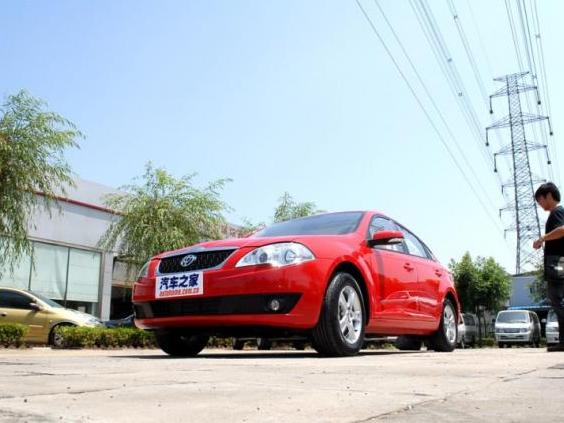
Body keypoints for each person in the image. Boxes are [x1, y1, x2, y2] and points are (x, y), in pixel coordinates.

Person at [533, 182, 564, 352]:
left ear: (549, 196)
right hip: (558, 262)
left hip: (558, 263)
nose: (540, 204)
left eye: (540, 200)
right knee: (557, 300)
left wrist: (543, 238)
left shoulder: (558, 212)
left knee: (557, 300)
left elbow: (562, 230)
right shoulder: (556, 213)